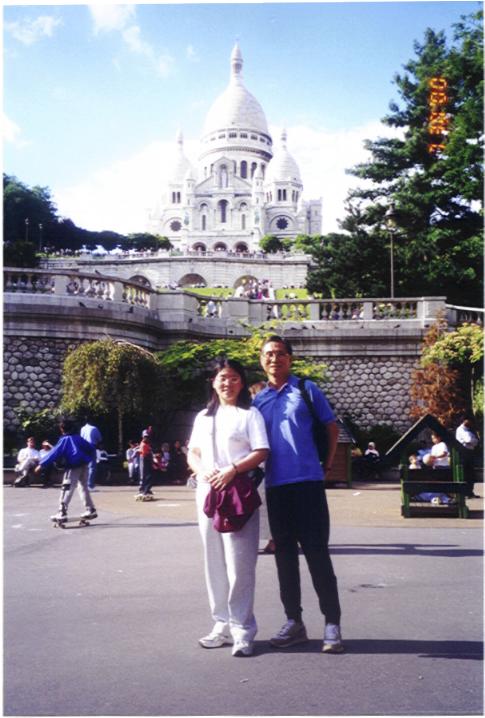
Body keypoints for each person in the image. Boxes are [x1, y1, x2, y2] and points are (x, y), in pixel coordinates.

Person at [252, 334, 343, 654]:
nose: (273, 359)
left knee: (317, 554)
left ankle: (332, 623)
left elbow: (331, 427)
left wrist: (327, 464)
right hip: (276, 488)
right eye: (268, 355)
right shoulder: (257, 401)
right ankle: (295, 622)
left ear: (290, 359)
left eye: (279, 353)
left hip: (308, 483)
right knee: (285, 559)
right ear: (261, 361)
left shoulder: (307, 390)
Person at [187, 358, 269, 658]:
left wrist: (232, 469)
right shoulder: (203, 417)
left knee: (240, 563)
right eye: (223, 377)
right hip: (208, 493)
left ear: (242, 383)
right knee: (214, 560)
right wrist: (200, 471)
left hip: (238, 493)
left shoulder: (250, 415)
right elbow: (193, 453)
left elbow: (261, 451)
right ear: (213, 382)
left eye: (234, 378)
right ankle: (220, 623)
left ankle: (243, 629)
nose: (228, 383)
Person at [35, 418, 97, 522]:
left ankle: (62, 512)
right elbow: (91, 449)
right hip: (84, 465)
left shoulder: (65, 439)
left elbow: (54, 453)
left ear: (61, 429)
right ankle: (90, 509)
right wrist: (88, 459)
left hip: (73, 466)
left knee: (66, 488)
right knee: (83, 487)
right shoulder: (78, 438)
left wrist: (41, 465)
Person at [455, 416, 480, 498]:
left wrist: (473, 441)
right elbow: (469, 440)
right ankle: (465, 492)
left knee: (470, 473)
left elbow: (476, 441)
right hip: (464, 452)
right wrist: (473, 441)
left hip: (470, 452)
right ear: (464, 421)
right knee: (465, 473)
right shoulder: (461, 430)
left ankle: (470, 491)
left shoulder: (469, 430)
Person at [80, 418, 102, 491]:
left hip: (83, 448)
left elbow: (81, 438)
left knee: (85, 466)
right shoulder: (94, 428)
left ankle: (83, 484)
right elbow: (99, 439)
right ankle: (90, 485)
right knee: (92, 467)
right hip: (91, 447)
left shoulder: (82, 428)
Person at [136, 431, 154, 499]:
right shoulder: (143, 444)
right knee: (144, 475)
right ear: (143, 437)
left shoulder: (147, 444)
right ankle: (142, 490)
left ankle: (147, 489)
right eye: (145, 437)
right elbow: (144, 455)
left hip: (148, 461)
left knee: (149, 476)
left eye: (147, 437)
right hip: (144, 460)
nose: (146, 438)